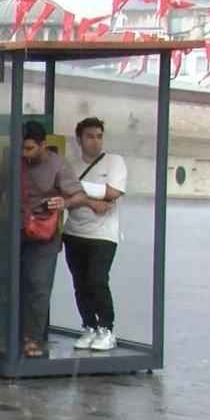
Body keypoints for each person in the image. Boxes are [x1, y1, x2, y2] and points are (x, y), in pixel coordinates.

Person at [17, 121, 88, 358]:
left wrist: (64, 203)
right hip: (15, 230)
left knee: (38, 285)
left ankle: (32, 337)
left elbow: (79, 195)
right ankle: (10, 332)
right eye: (22, 149)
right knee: (11, 283)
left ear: (43, 145)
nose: (25, 153)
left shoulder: (58, 166)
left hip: (43, 232)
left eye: (29, 148)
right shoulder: (14, 163)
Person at [62, 117, 127, 352]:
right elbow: (63, 198)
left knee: (98, 279)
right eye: (90, 136)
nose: (95, 141)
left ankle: (106, 329)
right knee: (80, 282)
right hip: (75, 232)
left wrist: (78, 191)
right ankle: (89, 326)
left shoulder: (114, 162)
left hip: (103, 234)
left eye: (99, 136)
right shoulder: (70, 166)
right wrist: (90, 200)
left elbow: (114, 191)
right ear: (79, 139)